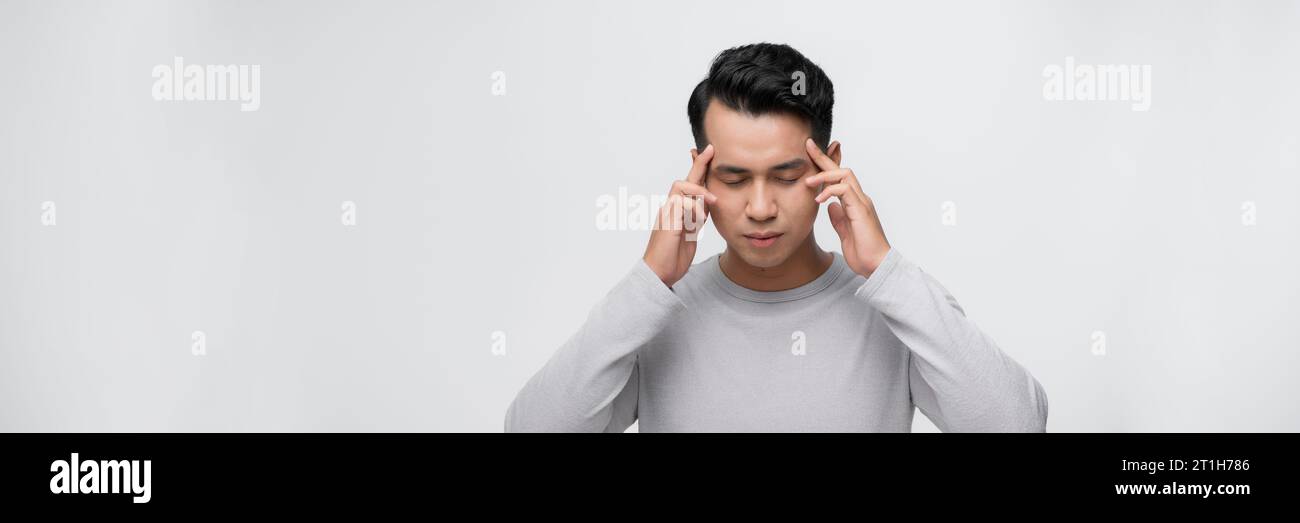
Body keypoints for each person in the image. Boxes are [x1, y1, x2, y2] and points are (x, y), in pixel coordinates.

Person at [506, 43, 1049, 432]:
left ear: (830, 167)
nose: (761, 209)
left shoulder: (894, 304)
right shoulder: (652, 315)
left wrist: (886, 269)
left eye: (787, 177)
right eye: (734, 178)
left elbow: (1017, 425)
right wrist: (648, 283)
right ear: (697, 173)